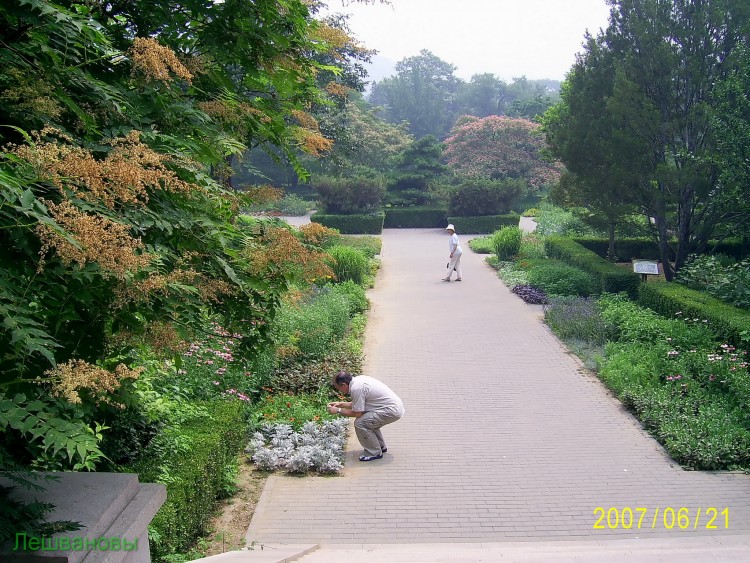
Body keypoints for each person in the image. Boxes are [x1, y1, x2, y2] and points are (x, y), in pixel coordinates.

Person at [327, 371, 405, 462]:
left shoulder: (356, 389)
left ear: (344, 385)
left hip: (391, 411)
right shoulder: (359, 380)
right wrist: (340, 404)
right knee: (368, 420)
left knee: (360, 423)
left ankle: (374, 452)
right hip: (393, 407)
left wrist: (338, 411)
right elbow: (359, 403)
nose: (339, 391)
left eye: (338, 388)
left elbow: (357, 413)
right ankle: (380, 446)